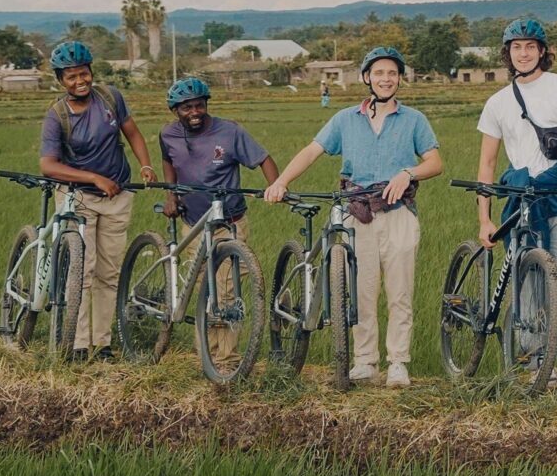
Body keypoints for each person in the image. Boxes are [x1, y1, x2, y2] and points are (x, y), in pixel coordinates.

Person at [264, 45, 442, 387]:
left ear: (399, 79)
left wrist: (408, 173)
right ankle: (365, 362)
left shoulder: (414, 120)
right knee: (362, 291)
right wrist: (281, 182)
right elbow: (312, 151)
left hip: (399, 212)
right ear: (366, 78)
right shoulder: (345, 119)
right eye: (379, 73)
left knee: (400, 291)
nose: (386, 79)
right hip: (356, 212)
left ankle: (398, 362)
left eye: (392, 73)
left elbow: (435, 162)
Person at [472, 17, 557, 390]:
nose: (524, 53)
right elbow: (487, 163)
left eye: (530, 46)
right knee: (528, 287)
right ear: (508, 53)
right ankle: (534, 364)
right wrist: (484, 218)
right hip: (522, 204)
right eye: (516, 47)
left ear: (542, 51)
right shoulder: (497, 103)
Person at [36, 40, 158, 359]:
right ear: (61, 80)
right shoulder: (57, 115)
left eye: (84, 74)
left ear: (91, 71)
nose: (80, 81)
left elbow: (132, 132)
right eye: (71, 77)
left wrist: (145, 165)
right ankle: (78, 343)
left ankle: (102, 343)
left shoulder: (110, 97)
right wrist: (92, 177)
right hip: (78, 197)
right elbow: (48, 165)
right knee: (83, 271)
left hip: (117, 195)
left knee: (109, 272)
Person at [156, 76, 279, 362]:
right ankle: (207, 356)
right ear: (175, 111)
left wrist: (276, 187)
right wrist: (171, 195)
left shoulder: (230, 132)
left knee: (224, 291)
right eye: (187, 108)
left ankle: (225, 360)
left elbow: (263, 159)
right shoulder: (168, 134)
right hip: (193, 222)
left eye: (199, 105)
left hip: (229, 222)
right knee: (203, 287)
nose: (195, 112)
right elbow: (168, 160)